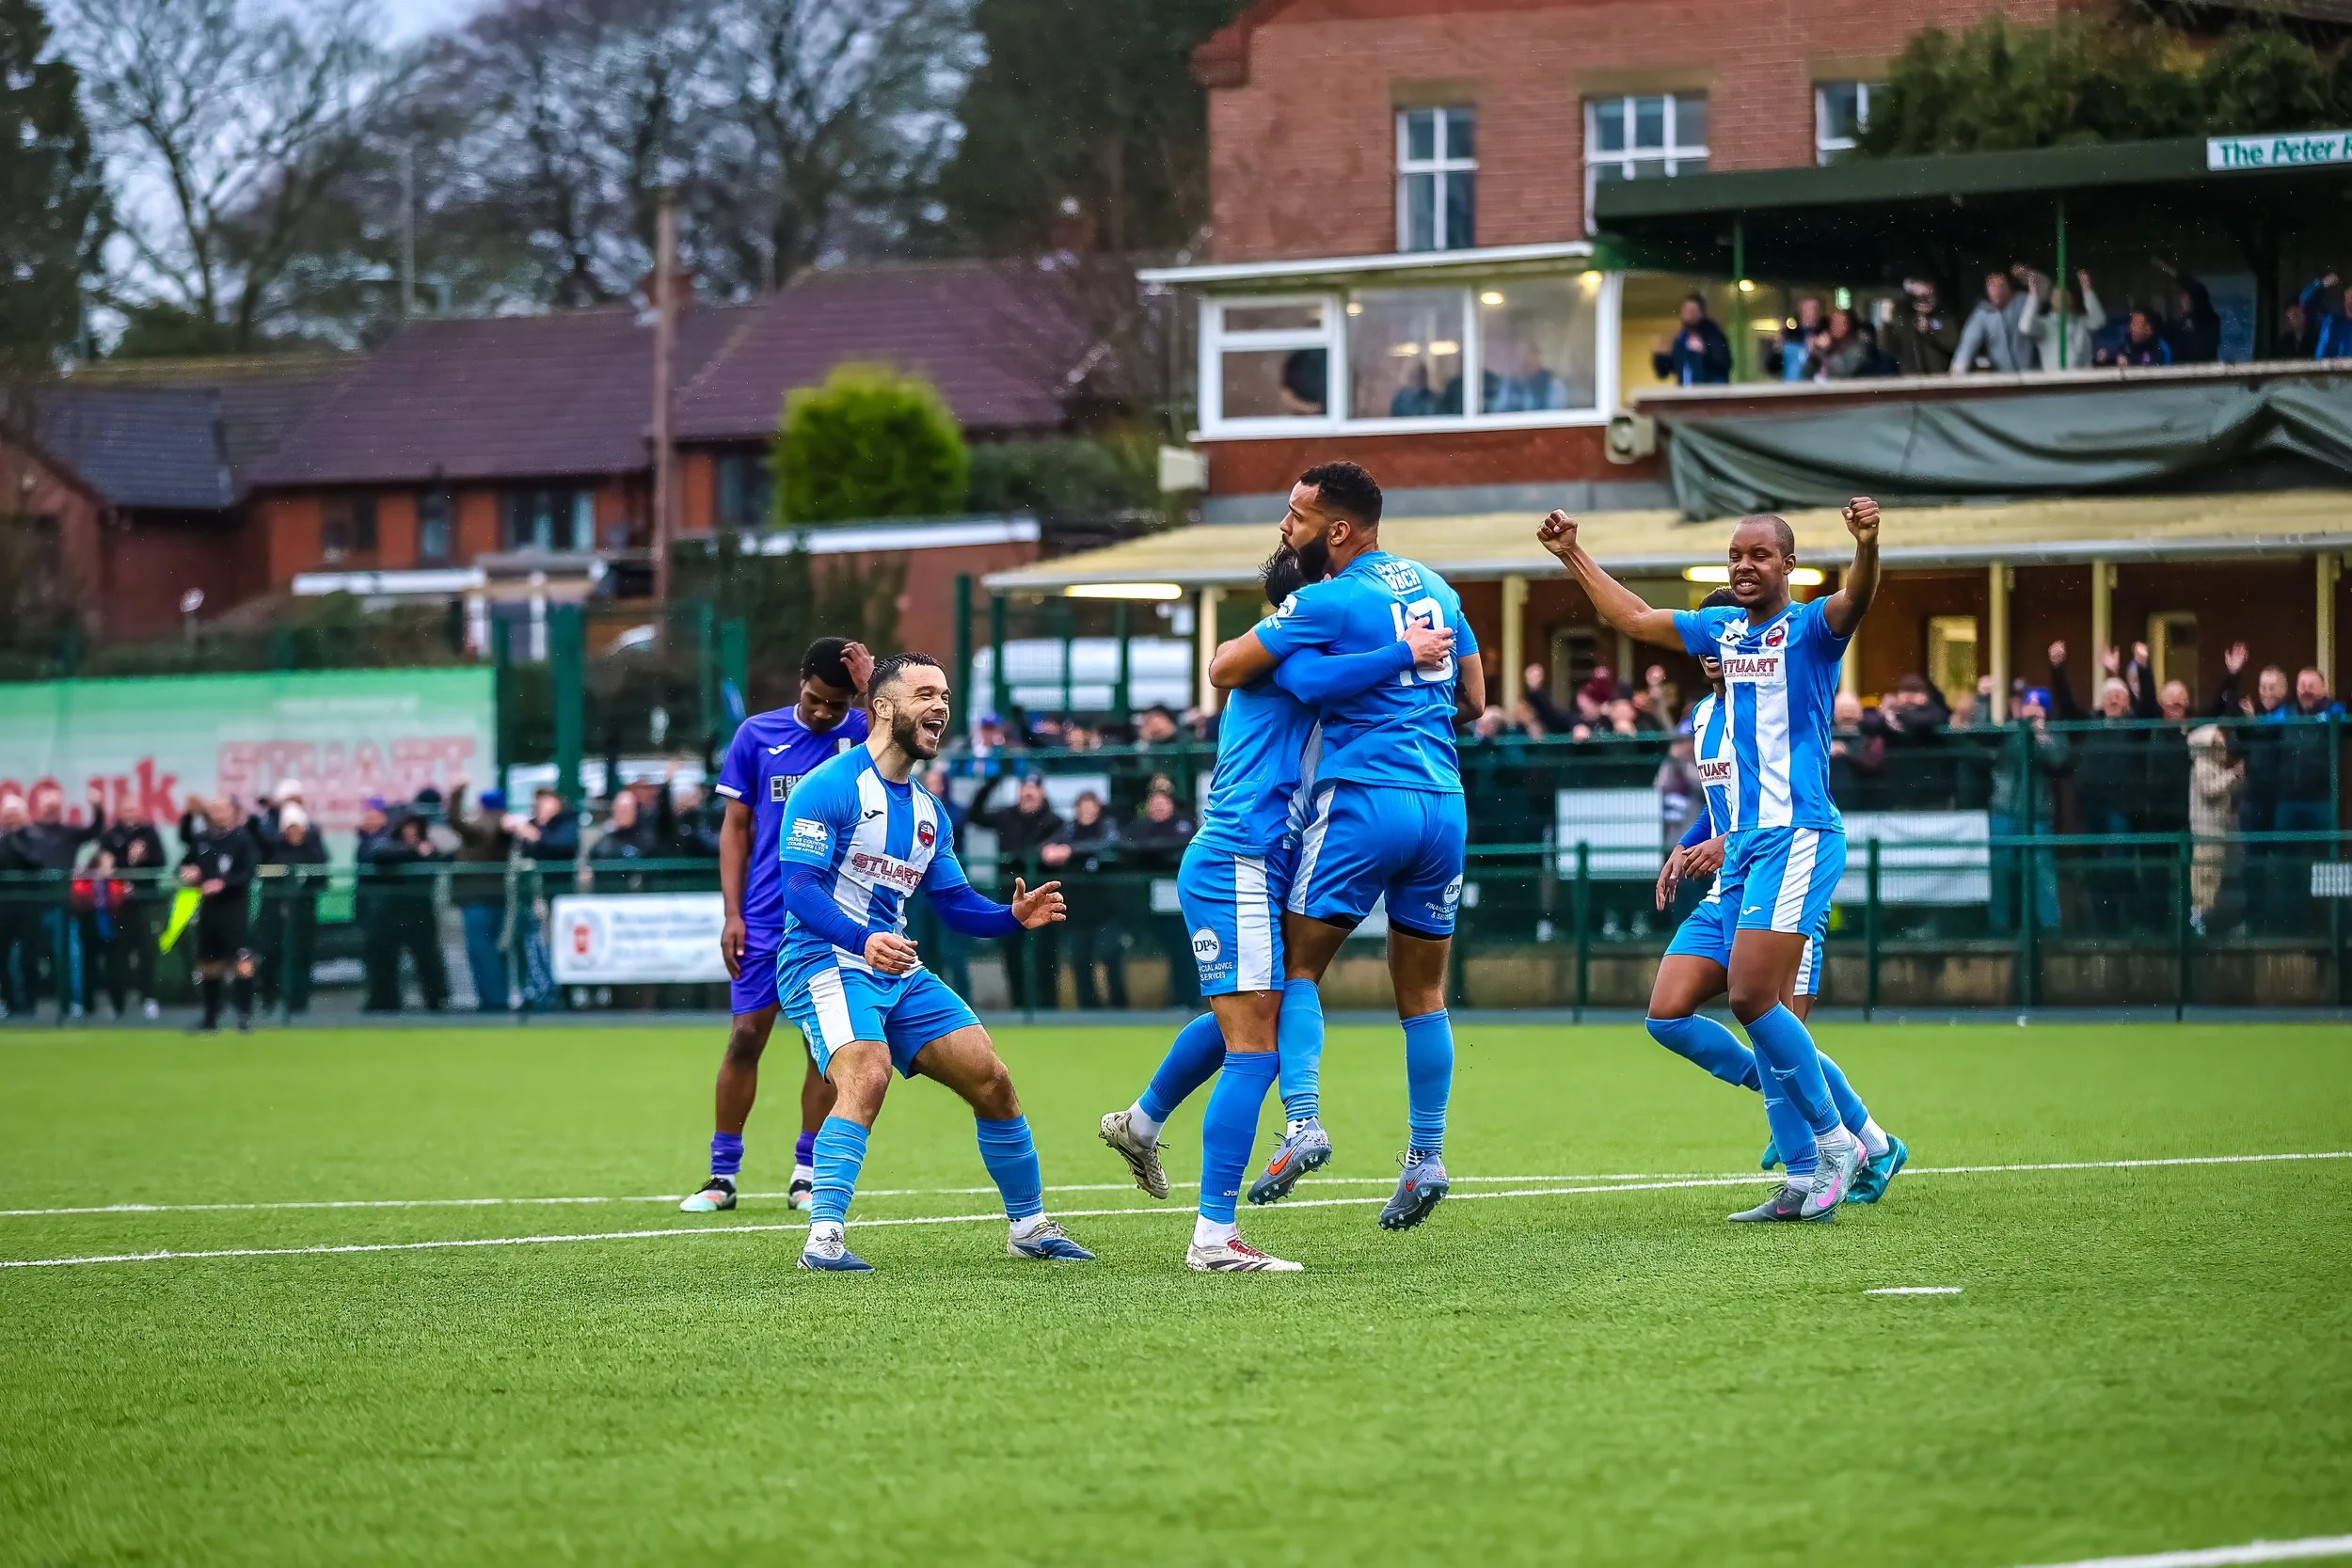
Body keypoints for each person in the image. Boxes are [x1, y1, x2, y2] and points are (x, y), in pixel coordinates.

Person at [1099, 543, 1455, 1270]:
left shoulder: (1314, 655)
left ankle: (1140, 1121)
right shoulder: (1290, 659)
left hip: (1261, 860)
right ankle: (1216, 1233)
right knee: (1256, 1044)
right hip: (1241, 857)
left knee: (1245, 1019)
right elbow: (1301, 671)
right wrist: (1403, 648)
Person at [1538, 493, 1883, 1221]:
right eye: (1736, 555)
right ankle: (1819, 1156)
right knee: (1695, 1009)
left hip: (1797, 838)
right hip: (1744, 853)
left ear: (1791, 565)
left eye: (1760, 554)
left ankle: (1841, 1141)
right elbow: (1630, 617)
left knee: (1758, 1000)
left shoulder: (1811, 629)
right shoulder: (1722, 632)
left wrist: (1867, 545)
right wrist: (1573, 553)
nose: (1745, 565)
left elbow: (1857, 599)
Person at [1207, 459, 1486, 1230]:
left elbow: (1228, 667)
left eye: (1296, 516)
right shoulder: (1439, 587)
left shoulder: (1326, 599)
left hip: (1364, 800)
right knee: (1424, 994)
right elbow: (1476, 698)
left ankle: (1302, 1121)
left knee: (1296, 968)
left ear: (1336, 528)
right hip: (1445, 804)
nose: (1285, 527)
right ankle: (1425, 1156)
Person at [774, 652, 1087, 1273]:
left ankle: (1028, 1226)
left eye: (944, 695)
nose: (941, 706)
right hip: (823, 959)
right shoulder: (829, 787)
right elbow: (799, 889)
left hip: (894, 968)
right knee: (868, 1072)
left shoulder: (928, 813)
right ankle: (824, 1240)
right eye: (924, 693)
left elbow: (955, 904)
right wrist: (863, 940)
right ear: (883, 706)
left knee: (992, 1078)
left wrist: (1009, 916)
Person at [1645, 588, 1906, 1206]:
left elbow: (1774, 811)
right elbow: (1722, 811)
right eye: (1707, 640)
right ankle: (1862, 1138)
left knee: (1767, 1021)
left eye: (1726, 637)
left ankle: (1830, 1156)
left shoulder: (1773, 709)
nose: (1715, 650)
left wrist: (1728, 842)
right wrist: (1687, 846)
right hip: (1730, 888)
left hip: (1782, 876)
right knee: (1668, 1016)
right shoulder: (1704, 718)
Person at [678, 635, 872, 1215]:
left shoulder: (863, 735)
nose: (823, 714)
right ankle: (722, 1175)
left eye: (836, 706)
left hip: (834, 920)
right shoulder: (756, 737)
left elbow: (914, 730)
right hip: (764, 919)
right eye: (815, 700)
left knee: (823, 1051)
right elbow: (736, 829)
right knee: (745, 1038)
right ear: (800, 683)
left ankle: (806, 1172)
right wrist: (732, 913)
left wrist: (867, 693)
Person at [969, 773, 1063, 1011]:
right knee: (1011, 950)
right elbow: (975, 815)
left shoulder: (1054, 820)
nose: (1028, 793)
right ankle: (1019, 1004)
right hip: (1009, 894)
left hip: (1042, 895)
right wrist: (991, 780)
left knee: (1045, 951)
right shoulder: (1006, 815)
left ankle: (1047, 1006)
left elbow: (1049, 851)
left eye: (1034, 788)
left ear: (1042, 792)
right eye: (1024, 787)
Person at [179, 795, 259, 1034]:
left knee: (242, 962)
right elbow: (186, 864)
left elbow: (248, 872)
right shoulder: (202, 840)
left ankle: (245, 1016)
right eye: (214, 810)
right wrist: (189, 873)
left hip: (234, 909)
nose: (218, 814)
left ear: (232, 812)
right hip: (209, 910)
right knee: (209, 964)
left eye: (222, 809)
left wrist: (223, 883)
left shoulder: (242, 839)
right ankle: (210, 1018)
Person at [1041, 791, 1127, 1009]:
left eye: (1091, 806)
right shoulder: (1069, 829)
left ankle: (1120, 1007)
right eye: (1082, 806)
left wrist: (1071, 851)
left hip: (1105, 907)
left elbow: (1111, 843)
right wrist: (1051, 850)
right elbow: (1049, 849)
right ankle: (1088, 1007)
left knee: (1110, 956)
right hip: (1076, 909)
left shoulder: (1107, 827)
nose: (1087, 811)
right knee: (1080, 959)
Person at [447, 779, 521, 1013]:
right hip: (490, 897)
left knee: (482, 951)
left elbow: (456, 822)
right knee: (487, 951)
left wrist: (457, 792)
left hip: (479, 898)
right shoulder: (502, 824)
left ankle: (493, 1002)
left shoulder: (487, 825)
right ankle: (492, 1000)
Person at [366, 812, 450, 1011]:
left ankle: (435, 1001)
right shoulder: (387, 845)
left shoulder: (430, 848)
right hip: (391, 911)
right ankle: (385, 1003)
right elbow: (379, 855)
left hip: (419, 911)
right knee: (386, 961)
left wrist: (426, 852)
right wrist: (415, 852)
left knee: (427, 959)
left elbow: (441, 858)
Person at [254, 804, 327, 1020]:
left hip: (302, 914)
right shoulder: (274, 851)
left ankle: (298, 1002)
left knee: (302, 956)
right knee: (270, 955)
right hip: (274, 914)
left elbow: (321, 879)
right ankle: (270, 999)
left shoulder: (313, 851)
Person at [97, 800, 168, 1018]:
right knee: (117, 954)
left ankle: (149, 998)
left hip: (144, 903)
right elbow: (104, 866)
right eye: (126, 808)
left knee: (147, 953)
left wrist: (143, 857)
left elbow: (160, 862)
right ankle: (117, 1003)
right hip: (118, 906)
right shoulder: (110, 836)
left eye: (133, 808)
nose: (130, 812)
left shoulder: (149, 833)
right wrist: (118, 872)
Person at [2186, 725, 2242, 936]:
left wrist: (2235, 778)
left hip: (2217, 829)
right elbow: (2210, 790)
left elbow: (2224, 790)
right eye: (2218, 745)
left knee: (2213, 877)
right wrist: (2232, 775)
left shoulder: (2215, 766)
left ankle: (2205, 918)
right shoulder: (2202, 765)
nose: (2222, 749)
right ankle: (2199, 918)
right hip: (2205, 830)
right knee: (2205, 876)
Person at [71, 848, 134, 1020]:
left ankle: (118, 1007)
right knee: (89, 969)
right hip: (91, 930)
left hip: (112, 931)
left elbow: (120, 902)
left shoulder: (116, 882)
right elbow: (78, 901)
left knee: (115, 970)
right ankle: (87, 1007)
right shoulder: (85, 881)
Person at [1951, 268, 2036, 374]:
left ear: (2009, 288)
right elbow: (1967, 345)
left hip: (2032, 374)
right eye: (1991, 286)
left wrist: (2028, 276)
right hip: (2002, 377)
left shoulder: (2024, 302)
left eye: (2000, 286)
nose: (1996, 291)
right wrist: (1957, 374)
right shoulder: (1982, 313)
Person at [2017, 268, 2105, 372]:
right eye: (2057, 296)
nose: (2061, 298)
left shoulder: (2080, 322)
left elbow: (2099, 321)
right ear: (2051, 301)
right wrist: (2033, 295)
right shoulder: (2045, 325)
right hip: (2056, 382)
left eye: (2065, 295)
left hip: (2082, 381)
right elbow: (2025, 327)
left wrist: (2087, 290)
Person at [1651, 293, 1732, 385]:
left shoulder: (1714, 335)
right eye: (1685, 310)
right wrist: (1660, 356)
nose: (1688, 314)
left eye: (1692, 310)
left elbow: (1724, 364)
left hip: (1711, 394)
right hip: (1687, 394)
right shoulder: (1680, 340)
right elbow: (1665, 372)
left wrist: (1705, 351)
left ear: (1701, 313)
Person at [1881, 279, 1957, 375]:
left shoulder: (1944, 316)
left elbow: (1952, 343)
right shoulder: (1904, 320)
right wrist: (1887, 324)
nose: (1922, 301)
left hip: (1938, 377)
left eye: (1927, 296)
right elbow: (1889, 348)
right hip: (1910, 378)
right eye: (1917, 297)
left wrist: (1929, 329)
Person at [1768, 297, 1825, 382]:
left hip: (1815, 388)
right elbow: (1772, 367)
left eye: (1814, 309)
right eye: (1806, 309)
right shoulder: (1789, 335)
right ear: (1800, 311)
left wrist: (1818, 350)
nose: (1810, 313)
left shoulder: (1824, 335)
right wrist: (1778, 351)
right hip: (1791, 387)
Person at [2098, 309, 2173, 369]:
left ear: (2148, 328)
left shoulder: (2160, 347)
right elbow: (2115, 353)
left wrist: (2129, 363)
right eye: (2132, 323)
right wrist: (2106, 357)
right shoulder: (2126, 341)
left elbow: (2158, 371)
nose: (2132, 328)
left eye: (2136, 324)